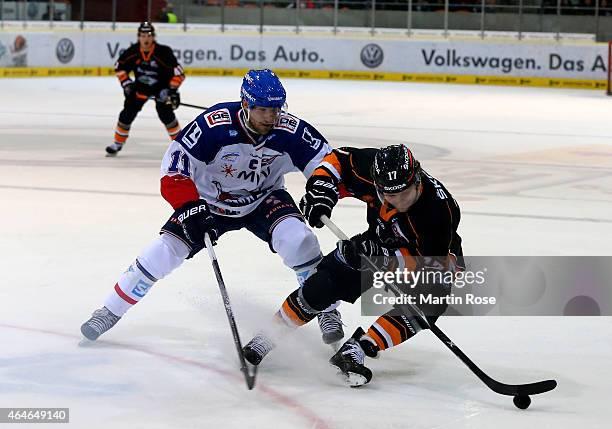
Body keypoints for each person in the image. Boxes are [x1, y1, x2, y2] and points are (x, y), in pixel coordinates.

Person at [81, 69, 344, 347]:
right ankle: (109, 311)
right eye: (263, 110)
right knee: (165, 250)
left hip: (264, 198)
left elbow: (328, 163)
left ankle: (327, 309)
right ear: (246, 105)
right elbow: (174, 167)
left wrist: (322, 190)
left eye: (276, 109)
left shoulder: (290, 131)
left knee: (299, 240)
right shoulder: (214, 126)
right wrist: (188, 206)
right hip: (208, 203)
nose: (271, 117)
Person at [243, 144, 465, 387]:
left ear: (418, 180)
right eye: (391, 196)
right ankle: (268, 335)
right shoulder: (369, 166)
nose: (400, 201)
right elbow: (336, 160)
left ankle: (360, 347)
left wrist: (382, 258)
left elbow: (426, 263)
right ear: (378, 186)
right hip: (380, 240)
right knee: (323, 285)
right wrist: (321, 192)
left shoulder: (437, 212)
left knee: (430, 302)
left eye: (406, 194)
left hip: (435, 259)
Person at [106, 22, 185, 156]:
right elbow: (119, 67)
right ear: (138, 37)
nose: (146, 39)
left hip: (162, 89)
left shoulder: (164, 52)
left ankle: (182, 146)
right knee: (127, 113)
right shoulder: (133, 51)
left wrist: (171, 91)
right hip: (140, 89)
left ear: (153, 37)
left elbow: (179, 73)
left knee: (167, 116)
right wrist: (126, 84)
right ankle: (117, 143)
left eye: (148, 35)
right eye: (143, 35)